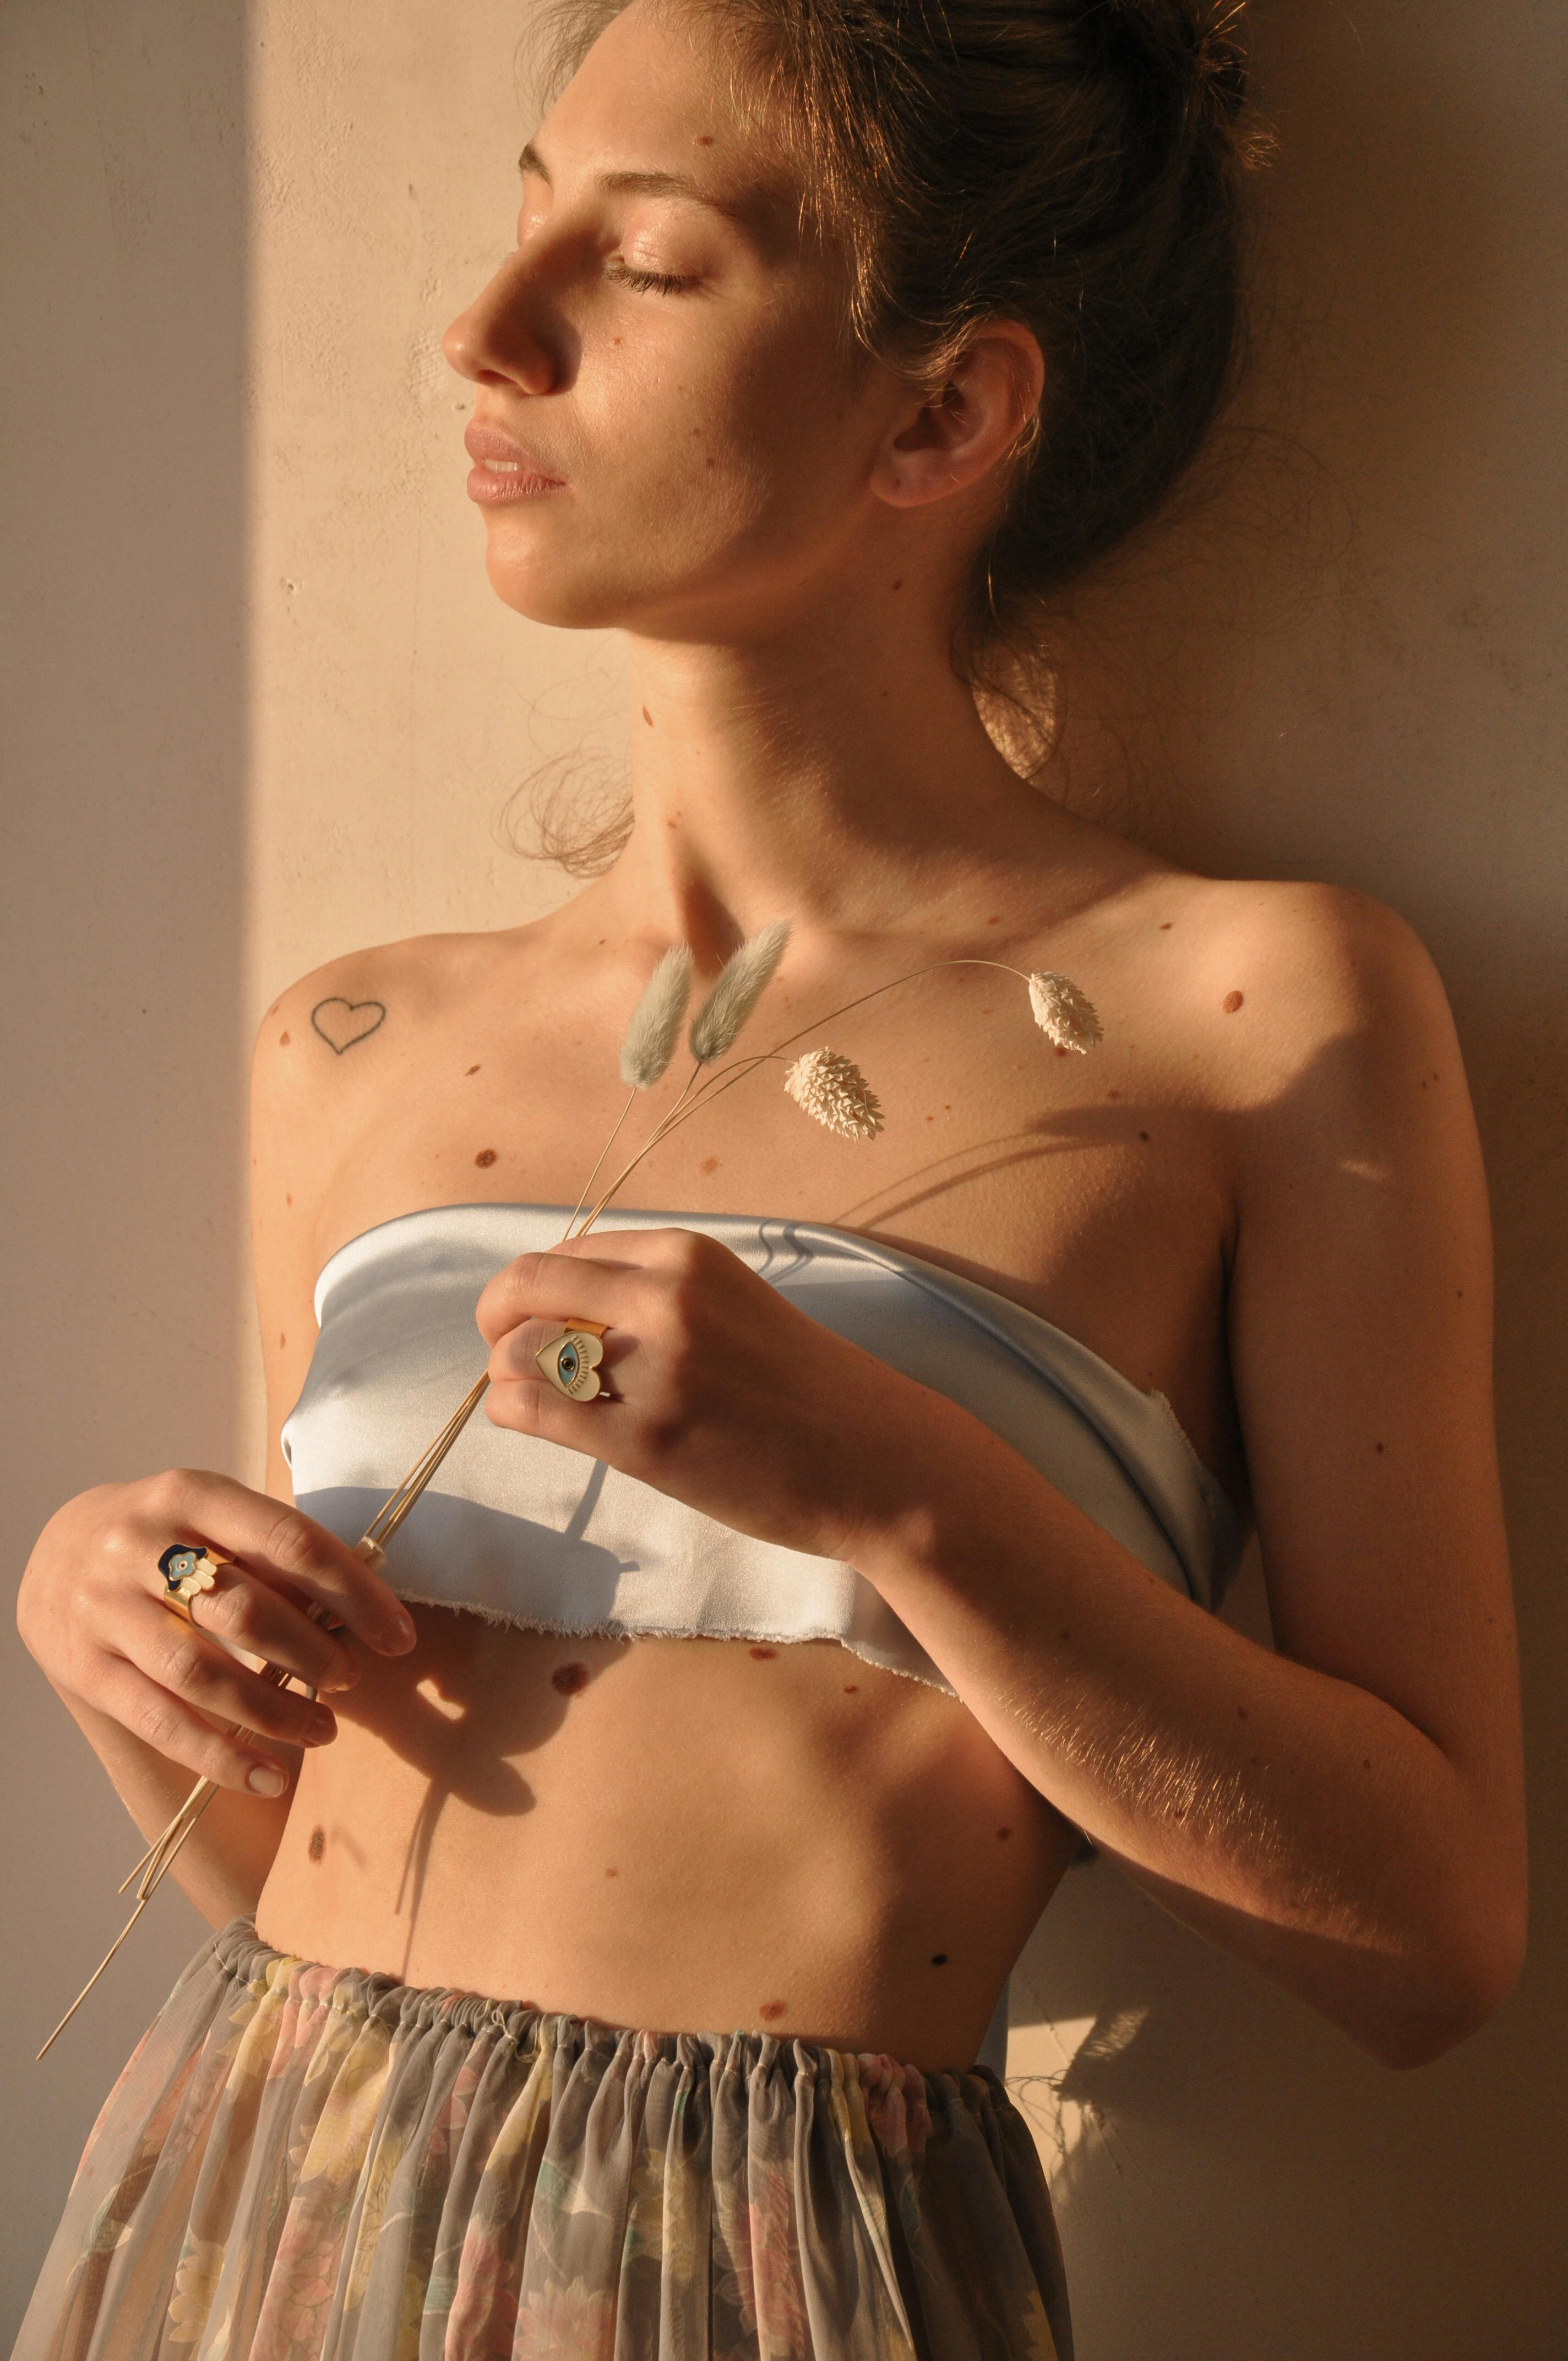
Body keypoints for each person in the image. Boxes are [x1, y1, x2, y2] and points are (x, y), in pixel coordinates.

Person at [13, 0, 1527, 2353]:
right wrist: (118, 1644)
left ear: (939, 410)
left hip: (776, 2265)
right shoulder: (360, 1043)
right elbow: (290, 1867)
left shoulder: (1249, 1012)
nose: (481, 331)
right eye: (521, 221)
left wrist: (902, 1490)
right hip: (254, 2201)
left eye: (644, 262)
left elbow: (1429, 1941)